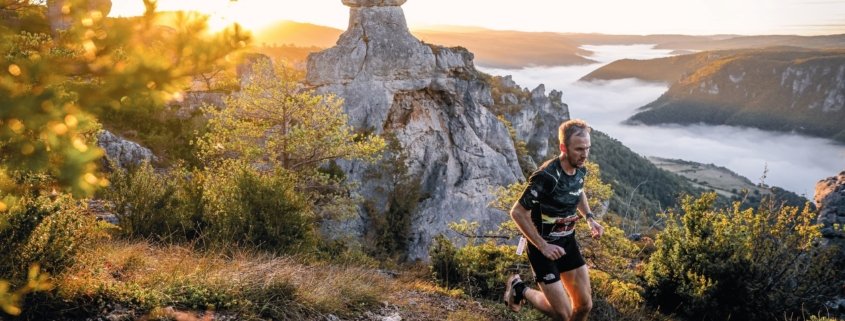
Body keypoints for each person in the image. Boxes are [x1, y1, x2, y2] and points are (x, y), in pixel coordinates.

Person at [504, 118, 604, 321]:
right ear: (563, 147)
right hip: (543, 248)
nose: (584, 154)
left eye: (587, 148)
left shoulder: (580, 168)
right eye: (578, 149)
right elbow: (517, 212)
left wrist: (590, 218)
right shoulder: (547, 175)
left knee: (584, 305)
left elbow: (578, 190)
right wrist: (543, 246)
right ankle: (519, 288)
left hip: (567, 242)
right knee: (564, 314)